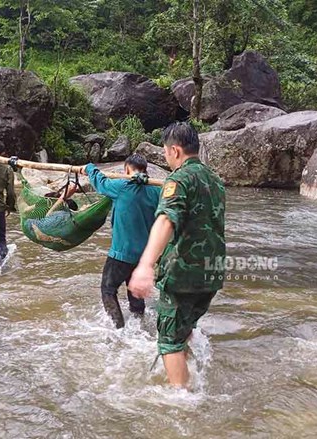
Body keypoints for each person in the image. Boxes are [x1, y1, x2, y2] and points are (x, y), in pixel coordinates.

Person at [128, 122, 226, 388]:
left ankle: (181, 402)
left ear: (175, 150)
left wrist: (145, 265)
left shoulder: (179, 179)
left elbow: (165, 220)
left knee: (169, 340)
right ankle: (187, 373)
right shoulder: (215, 180)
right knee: (184, 328)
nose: (167, 157)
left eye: (166, 152)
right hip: (212, 273)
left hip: (184, 273)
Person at [80, 154, 161, 328]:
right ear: (145, 170)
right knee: (135, 289)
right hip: (144, 256)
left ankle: (118, 328)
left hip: (121, 253)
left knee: (108, 290)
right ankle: (139, 322)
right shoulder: (156, 191)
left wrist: (89, 167)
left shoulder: (122, 186)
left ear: (126, 169)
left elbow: (100, 183)